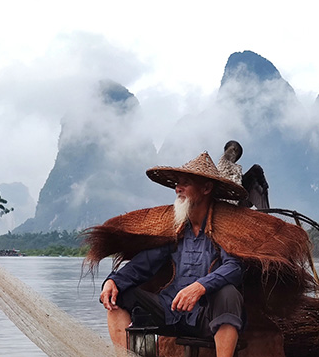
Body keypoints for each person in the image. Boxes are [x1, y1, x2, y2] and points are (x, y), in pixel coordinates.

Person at [98, 152, 248, 357]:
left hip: (206, 315)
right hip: (170, 311)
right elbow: (142, 265)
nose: (178, 188)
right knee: (118, 295)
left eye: (186, 183)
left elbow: (234, 267)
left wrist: (200, 287)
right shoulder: (176, 229)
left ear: (206, 188)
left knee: (229, 293)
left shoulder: (225, 227)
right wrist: (112, 281)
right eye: (177, 183)